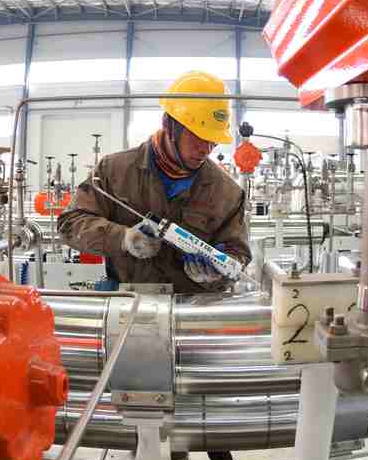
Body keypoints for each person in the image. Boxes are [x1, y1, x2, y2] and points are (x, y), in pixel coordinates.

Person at [58, 71, 252, 294]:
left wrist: (218, 273)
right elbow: (70, 224)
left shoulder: (227, 192)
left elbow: (239, 255)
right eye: (198, 136)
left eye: (213, 141)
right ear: (170, 125)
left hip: (192, 310)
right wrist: (123, 238)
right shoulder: (113, 171)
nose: (205, 149)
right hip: (128, 303)